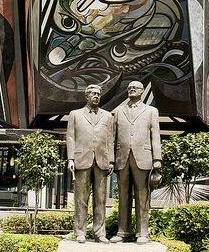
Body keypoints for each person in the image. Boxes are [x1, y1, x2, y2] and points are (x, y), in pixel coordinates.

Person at [110, 81, 161, 245]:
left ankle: (142, 232)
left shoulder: (151, 111)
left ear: (141, 91)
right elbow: (112, 137)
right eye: (129, 88)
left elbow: (156, 136)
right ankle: (123, 231)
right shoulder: (118, 111)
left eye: (135, 88)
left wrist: (157, 159)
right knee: (123, 196)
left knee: (142, 196)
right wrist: (111, 159)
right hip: (122, 158)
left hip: (143, 158)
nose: (131, 89)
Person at [66, 84, 114, 244]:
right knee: (81, 198)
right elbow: (71, 137)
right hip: (82, 160)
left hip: (102, 161)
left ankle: (100, 233)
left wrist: (111, 160)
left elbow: (110, 140)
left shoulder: (108, 116)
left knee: (100, 199)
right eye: (93, 93)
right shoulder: (75, 114)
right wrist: (70, 158)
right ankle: (80, 232)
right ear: (86, 96)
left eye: (98, 94)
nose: (96, 96)